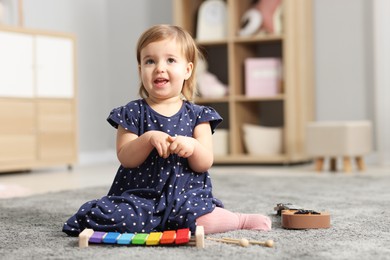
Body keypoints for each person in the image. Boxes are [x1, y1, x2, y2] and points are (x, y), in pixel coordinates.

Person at [62, 24, 271, 236]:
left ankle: (239, 220)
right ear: (140, 69)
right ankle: (153, 222)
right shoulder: (131, 112)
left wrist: (192, 146)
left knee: (201, 219)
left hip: (186, 198)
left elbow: (204, 162)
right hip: (140, 198)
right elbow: (126, 158)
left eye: (170, 60)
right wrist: (148, 139)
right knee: (106, 217)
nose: (159, 68)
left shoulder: (199, 115)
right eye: (150, 61)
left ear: (187, 70)